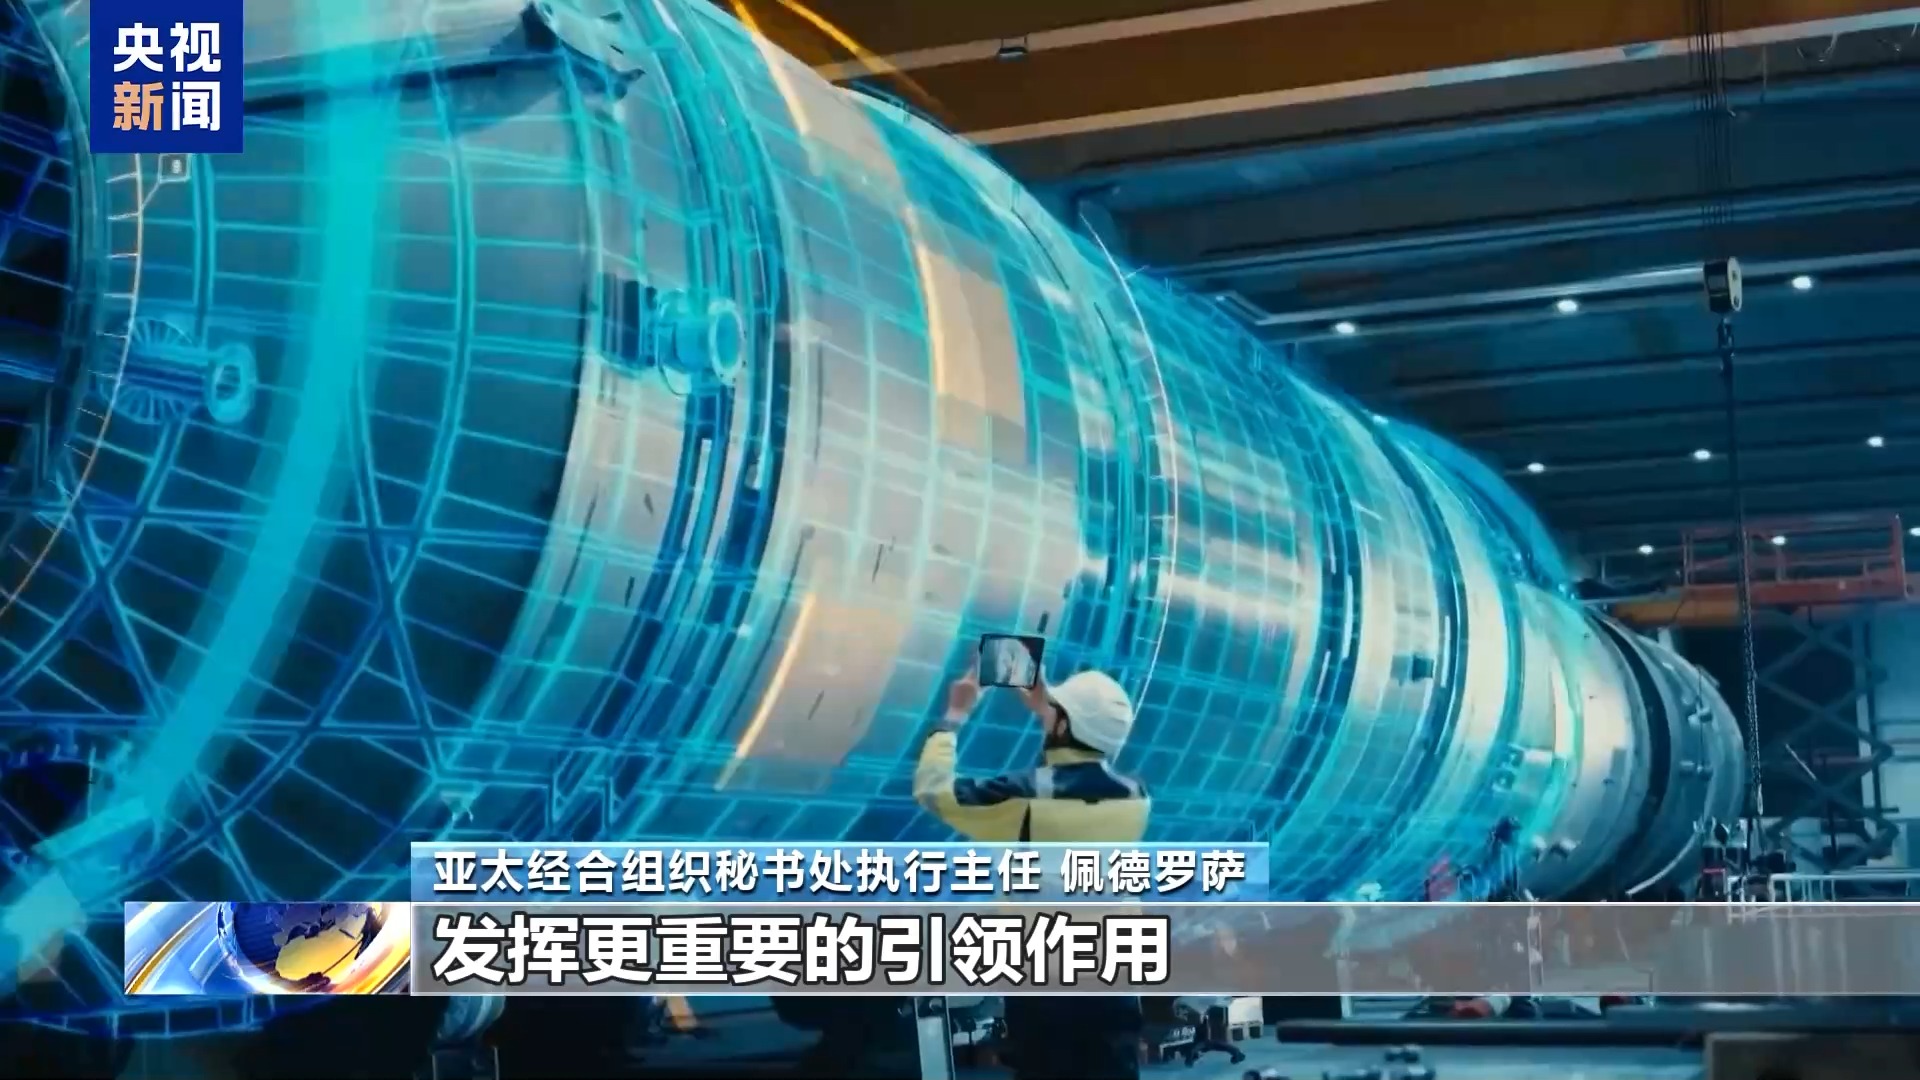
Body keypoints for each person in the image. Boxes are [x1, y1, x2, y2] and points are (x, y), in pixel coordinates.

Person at [915, 657, 1149, 1080]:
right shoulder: (1135, 796)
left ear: (1063, 725)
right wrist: (1051, 709)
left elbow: (933, 791)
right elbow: (1078, 757)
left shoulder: (1023, 796)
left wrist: (955, 713)